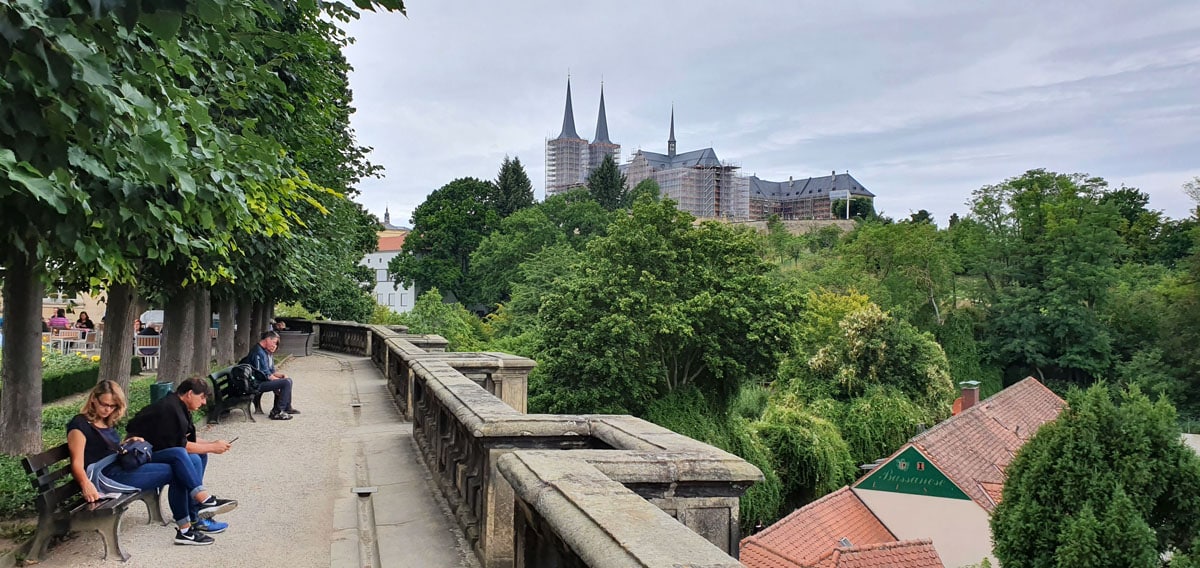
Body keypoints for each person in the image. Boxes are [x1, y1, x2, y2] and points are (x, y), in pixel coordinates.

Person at [67, 381, 238, 546]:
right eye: (104, 404)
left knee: (179, 454)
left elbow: (106, 449)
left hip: (120, 464)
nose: (108, 409)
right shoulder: (79, 425)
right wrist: (85, 484)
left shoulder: (105, 420)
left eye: (113, 406)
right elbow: (77, 463)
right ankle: (189, 525)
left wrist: (127, 443)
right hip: (106, 477)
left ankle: (201, 502)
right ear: (93, 399)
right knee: (177, 471)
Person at [127, 378, 233, 534]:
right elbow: (179, 446)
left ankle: (196, 511)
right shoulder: (169, 410)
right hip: (140, 455)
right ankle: (196, 511)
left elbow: (186, 440)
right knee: (193, 458)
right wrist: (212, 447)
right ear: (190, 394)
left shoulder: (179, 406)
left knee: (200, 456)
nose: (204, 403)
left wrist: (212, 443)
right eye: (202, 397)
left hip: (157, 449)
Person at [241, 330, 299, 420]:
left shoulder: (265, 352)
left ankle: (286, 408)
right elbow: (264, 374)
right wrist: (277, 382)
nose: (274, 346)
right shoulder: (258, 352)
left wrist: (282, 375)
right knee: (286, 383)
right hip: (255, 384)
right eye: (274, 342)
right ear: (268, 339)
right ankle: (277, 412)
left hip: (260, 381)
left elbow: (270, 372)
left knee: (286, 380)